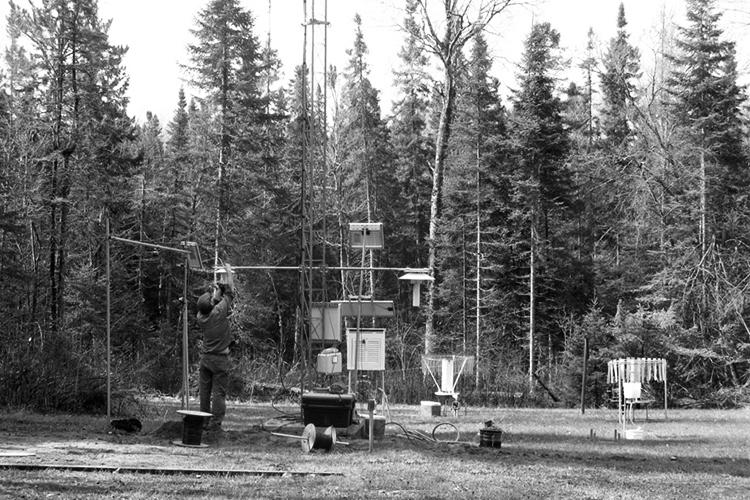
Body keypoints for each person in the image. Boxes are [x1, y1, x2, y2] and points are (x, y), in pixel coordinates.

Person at [196, 263, 235, 432]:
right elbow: (230, 293)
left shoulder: (200, 316)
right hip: (220, 359)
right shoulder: (219, 312)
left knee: (205, 392)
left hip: (205, 359)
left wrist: (217, 292)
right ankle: (215, 425)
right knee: (219, 393)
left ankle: (204, 422)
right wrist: (228, 273)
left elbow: (212, 303)